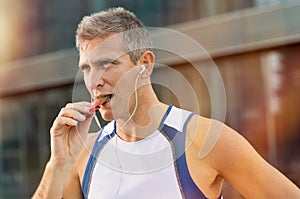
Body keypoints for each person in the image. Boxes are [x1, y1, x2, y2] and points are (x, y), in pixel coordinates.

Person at [32, 7, 300, 199]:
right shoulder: (83, 153)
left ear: (144, 65)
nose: (94, 81)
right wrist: (58, 164)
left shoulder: (206, 140)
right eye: (87, 68)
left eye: (107, 64)